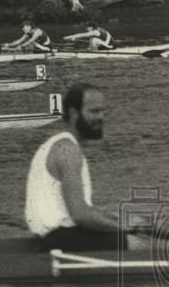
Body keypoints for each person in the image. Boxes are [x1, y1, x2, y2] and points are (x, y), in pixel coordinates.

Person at [25, 83, 138, 251]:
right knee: (146, 246)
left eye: (102, 111)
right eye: (93, 111)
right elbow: (80, 215)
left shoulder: (58, 144)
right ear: (73, 114)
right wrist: (122, 228)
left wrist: (114, 219)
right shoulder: (67, 150)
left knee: (135, 235)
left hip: (58, 236)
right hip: (60, 239)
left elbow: (79, 209)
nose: (101, 117)